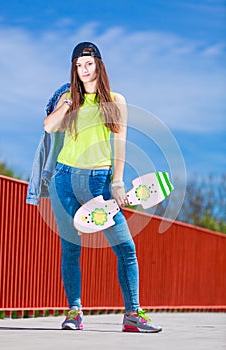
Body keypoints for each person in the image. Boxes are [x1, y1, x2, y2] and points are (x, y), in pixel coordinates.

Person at [43, 41, 162, 333]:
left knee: (126, 247)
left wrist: (118, 182)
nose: (83, 70)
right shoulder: (69, 98)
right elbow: (49, 127)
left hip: (100, 182)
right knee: (71, 248)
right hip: (66, 179)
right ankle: (74, 312)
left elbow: (119, 142)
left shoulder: (116, 101)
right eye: (77, 65)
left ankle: (133, 315)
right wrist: (69, 102)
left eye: (88, 63)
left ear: (98, 64)